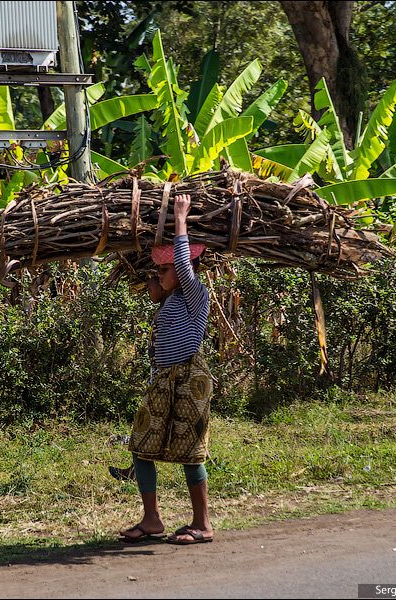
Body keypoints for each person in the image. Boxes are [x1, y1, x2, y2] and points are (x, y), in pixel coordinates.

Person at [118, 193, 214, 545]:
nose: (159, 275)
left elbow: (184, 268)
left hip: (190, 377)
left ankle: (202, 525)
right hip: (164, 378)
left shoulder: (195, 292)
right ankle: (152, 520)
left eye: (164, 269)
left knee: (191, 451)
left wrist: (180, 216)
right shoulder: (172, 299)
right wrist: (156, 284)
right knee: (141, 444)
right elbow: (158, 290)